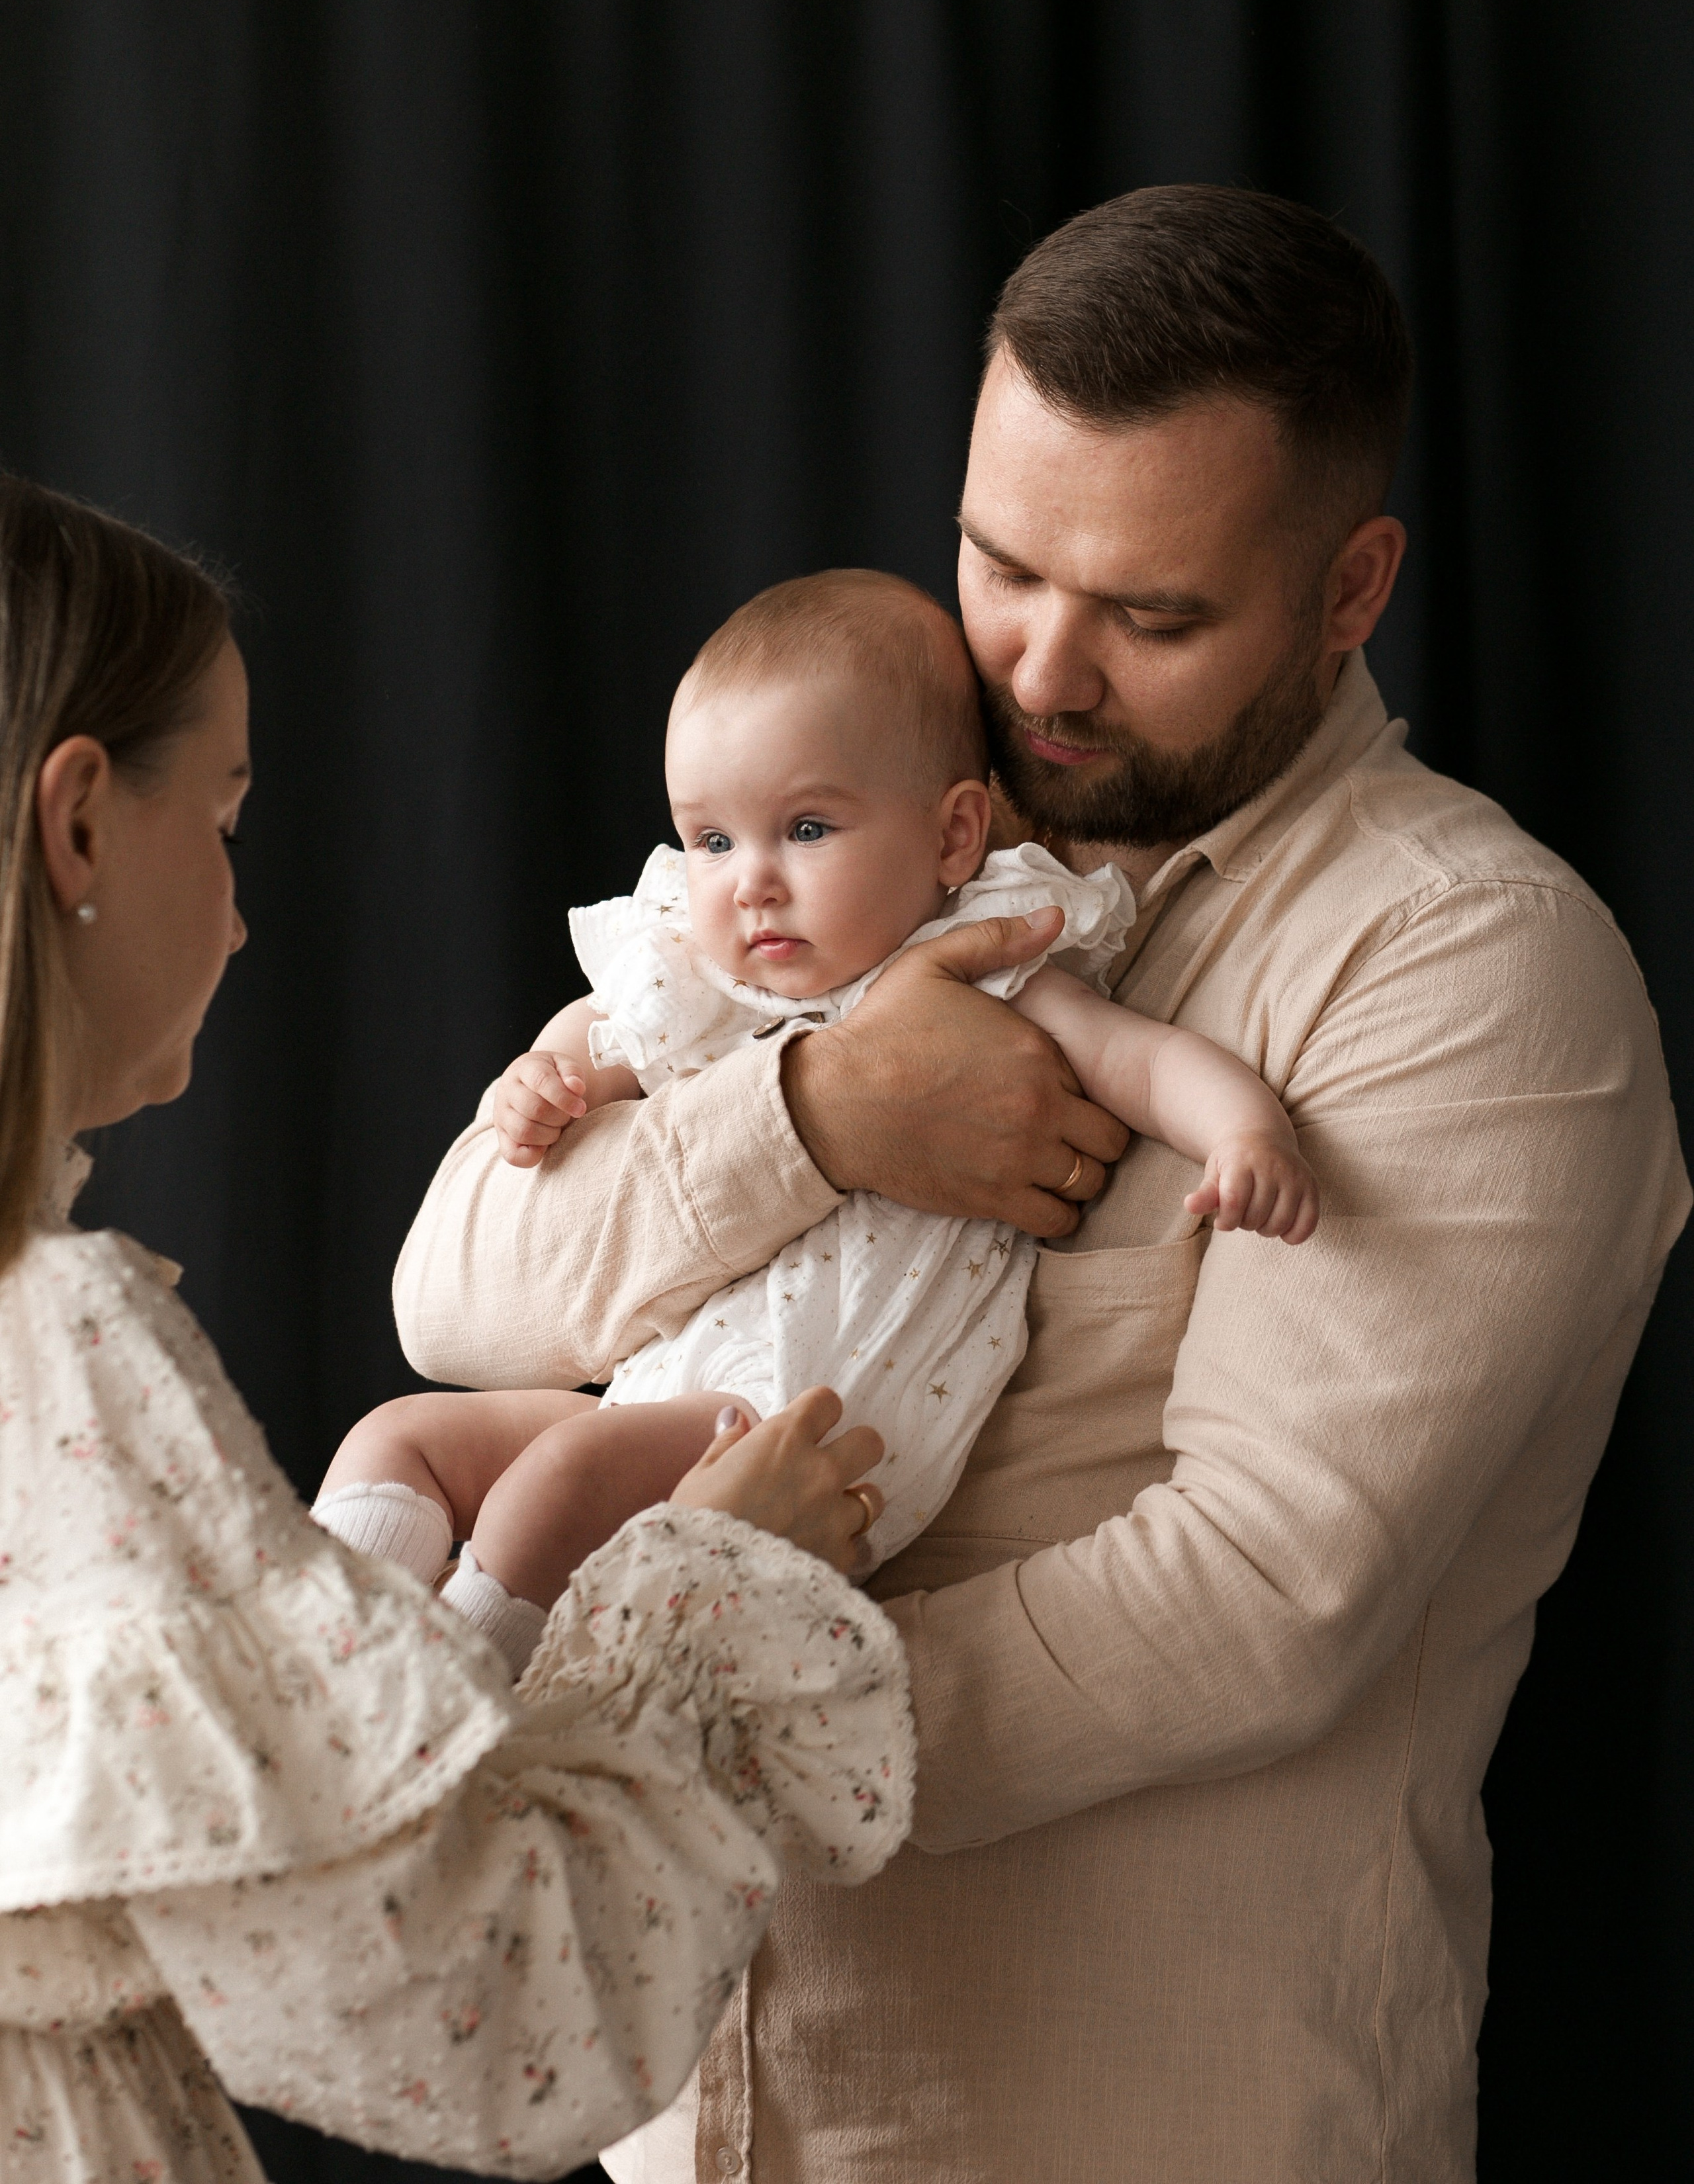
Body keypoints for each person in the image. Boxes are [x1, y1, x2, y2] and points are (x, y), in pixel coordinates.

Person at [394, 186, 1689, 2184]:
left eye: (1154, 617)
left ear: (1351, 589)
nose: (1041, 672)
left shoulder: (1469, 968)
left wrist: (668, 1714)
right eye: (1000, 565)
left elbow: (1268, 1593)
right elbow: (462, 1294)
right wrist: (818, 1116)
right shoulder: (867, 832)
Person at [0, 472, 914, 2184]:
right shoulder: (49, 1349)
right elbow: (486, 2022)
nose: (246, 905)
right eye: (226, 818)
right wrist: (699, 1591)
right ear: (76, 830)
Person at [320, 570, 1316, 1645]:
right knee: (402, 1438)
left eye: (804, 829)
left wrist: (1245, 1132)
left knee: (559, 1480)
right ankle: (311, 1669)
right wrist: (542, 1082)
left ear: (950, 836)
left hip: (812, 1433)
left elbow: (1148, 1062)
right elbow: (591, 1048)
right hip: (659, 1405)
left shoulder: (991, 967)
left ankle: (431, 1711)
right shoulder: (707, 981)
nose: (749, 882)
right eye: (711, 841)